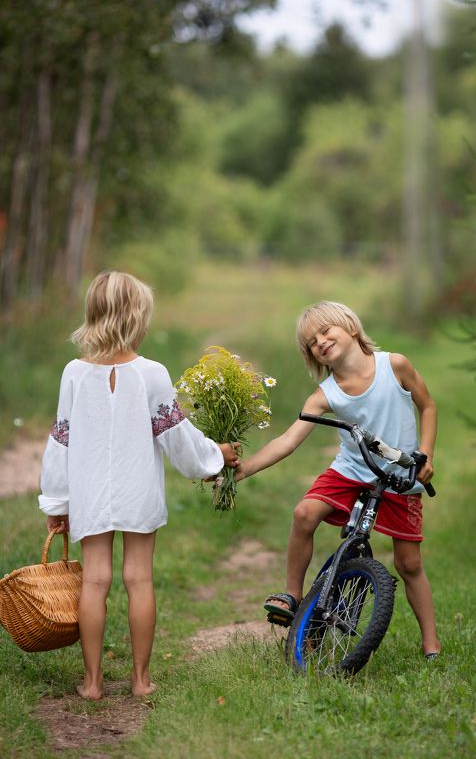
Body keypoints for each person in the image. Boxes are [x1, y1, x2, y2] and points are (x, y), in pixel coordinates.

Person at [39, 270, 239, 700]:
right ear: (136, 318)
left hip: (90, 491)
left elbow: (61, 440)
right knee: (139, 579)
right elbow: (176, 435)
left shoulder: (73, 373)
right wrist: (214, 457)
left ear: (93, 314)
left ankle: (92, 683)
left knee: (95, 581)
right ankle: (141, 680)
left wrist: (57, 500)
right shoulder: (152, 373)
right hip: (139, 488)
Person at [236, 300, 440, 660]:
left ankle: (431, 644)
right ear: (313, 356)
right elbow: (288, 440)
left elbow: (428, 406)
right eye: (312, 342)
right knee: (304, 514)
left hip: (400, 476)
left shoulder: (395, 365)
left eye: (326, 330)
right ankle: (292, 596)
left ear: (349, 326)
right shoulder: (326, 394)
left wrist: (426, 454)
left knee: (409, 564)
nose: (321, 341)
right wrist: (246, 469)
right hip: (350, 472)